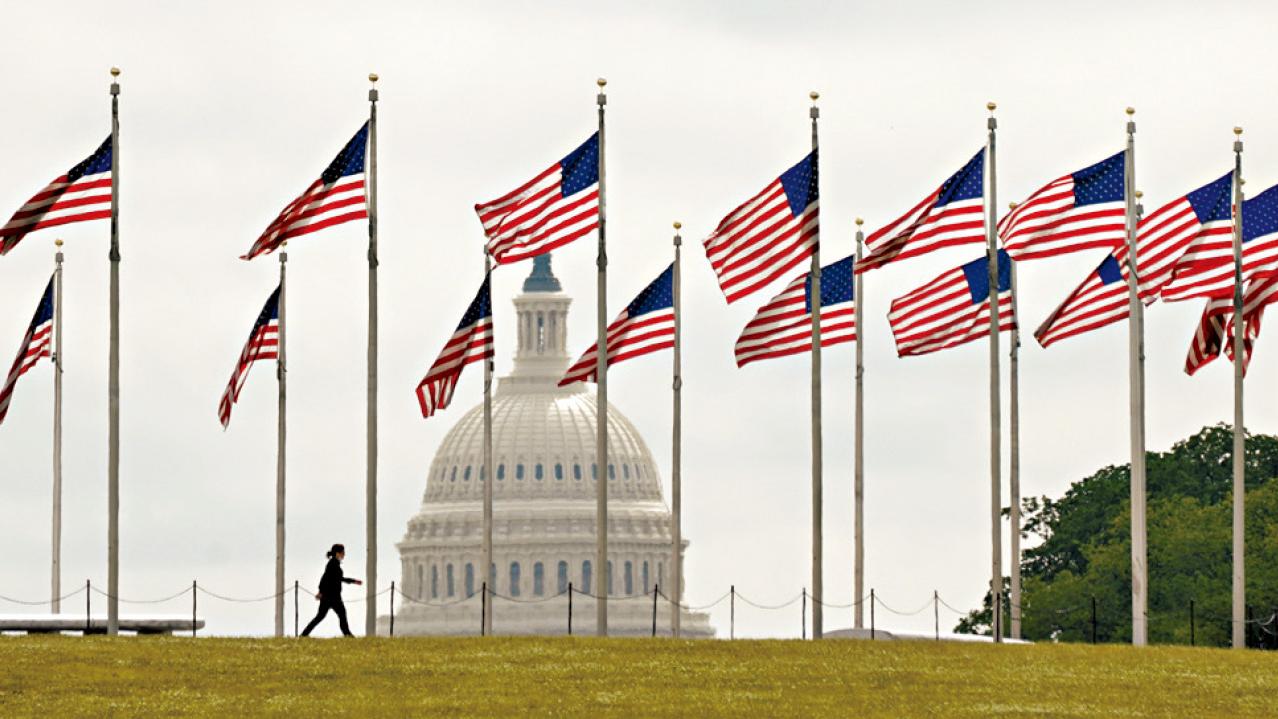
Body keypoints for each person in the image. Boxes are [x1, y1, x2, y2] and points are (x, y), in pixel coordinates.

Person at [300, 543, 362, 637]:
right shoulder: (332, 564)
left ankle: (304, 635)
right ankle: (347, 635)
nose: (344, 554)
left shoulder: (334, 563)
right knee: (340, 615)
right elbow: (326, 579)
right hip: (332, 597)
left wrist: (321, 592)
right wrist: (353, 581)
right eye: (342, 552)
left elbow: (332, 578)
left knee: (321, 617)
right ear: (337, 553)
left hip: (329, 596)